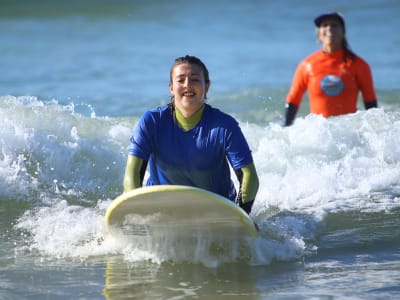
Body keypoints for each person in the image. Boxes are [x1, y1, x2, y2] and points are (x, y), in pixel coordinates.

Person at [123, 55, 259, 214]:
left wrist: (242, 214)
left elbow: (249, 175)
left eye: (195, 79)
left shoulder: (224, 126)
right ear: (171, 87)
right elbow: (132, 173)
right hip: (161, 209)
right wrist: (137, 213)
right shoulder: (152, 121)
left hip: (216, 212)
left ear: (206, 86)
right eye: (180, 80)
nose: (187, 85)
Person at [283, 12, 378, 126]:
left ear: (343, 32)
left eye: (334, 25)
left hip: (348, 131)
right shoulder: (307, 65)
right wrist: (286, 131)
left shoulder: (358, 65)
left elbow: (370, 102)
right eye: (325, 25)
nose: (329, 28)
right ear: (319, 35)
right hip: (319, 133)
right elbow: (293, 100)